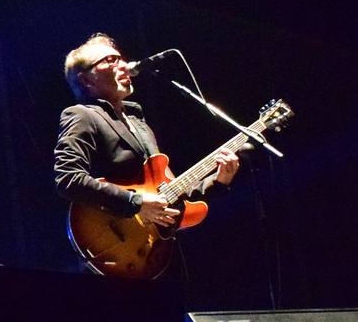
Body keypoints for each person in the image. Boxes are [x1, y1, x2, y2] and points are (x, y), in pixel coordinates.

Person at [54, 32, 237, 270]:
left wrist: (219, 180)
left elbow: (170, 191)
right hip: (113, 245)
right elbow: (68, 179)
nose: (122, 64)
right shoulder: (82, 115)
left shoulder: (138, 122)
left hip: (154, 251)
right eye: (109, 60)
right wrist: (136, 202)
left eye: (120, 58)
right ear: (87, 80)